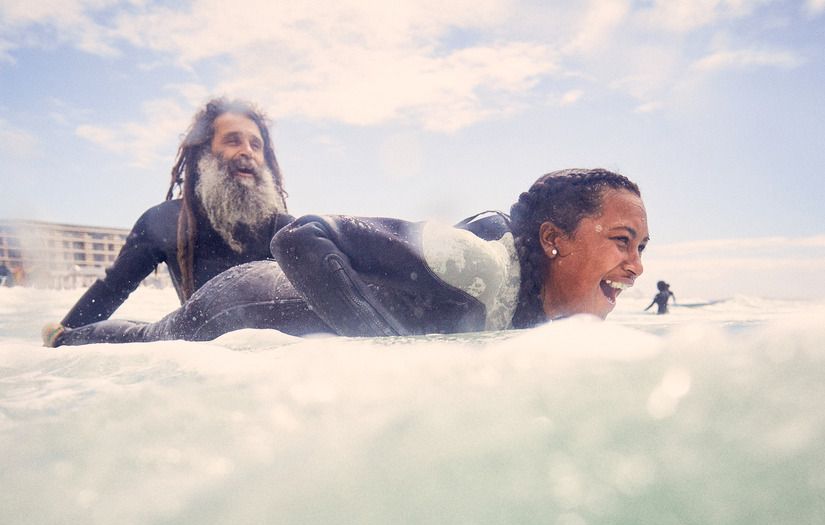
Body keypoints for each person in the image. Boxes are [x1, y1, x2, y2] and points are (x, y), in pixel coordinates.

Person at [44, 168, 649, 346]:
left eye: (642, 248)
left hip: (276, 315)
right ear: (553, 240)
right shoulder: (478, 262)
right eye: (622, 241)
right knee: (153, 335)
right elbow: (300, 236)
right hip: (243, 302)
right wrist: (386, 351)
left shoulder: (538, 310)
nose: (637, 267)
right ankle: (64, 340)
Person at [52, 98, 291, 331]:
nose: (247, 151)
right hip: (204, 358)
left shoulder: (284, 229)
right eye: (232, 141)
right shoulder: (167, 221)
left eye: (255, 145)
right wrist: (61, 336)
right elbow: (113, 289)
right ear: (203, 153)